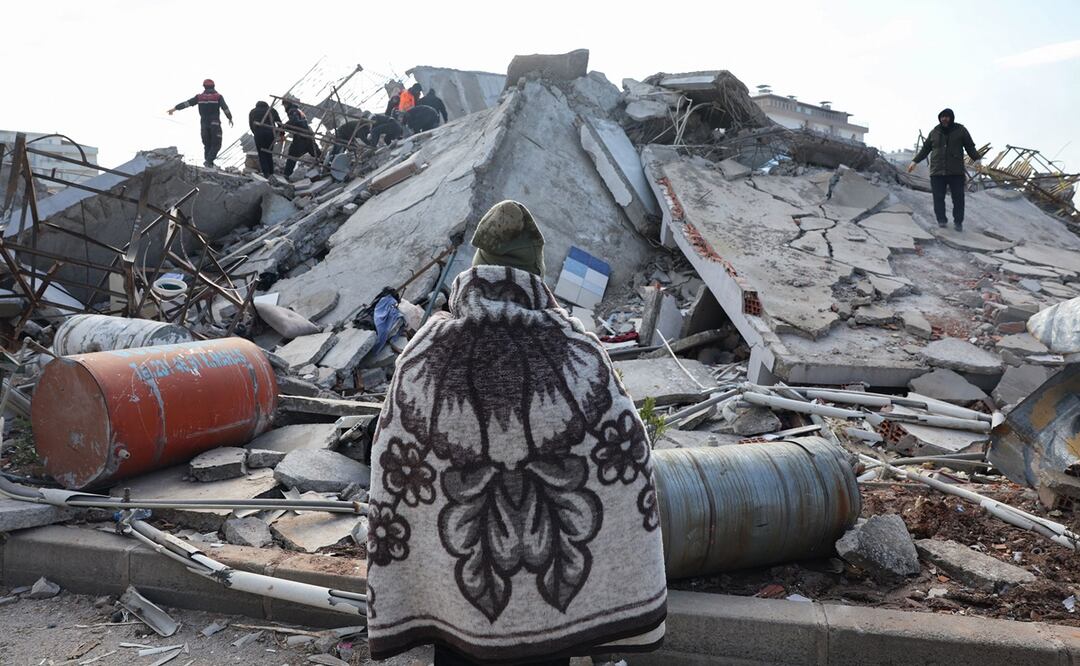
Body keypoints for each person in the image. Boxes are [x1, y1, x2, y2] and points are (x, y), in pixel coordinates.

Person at [365, 200, 667, 665]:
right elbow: (630, 457)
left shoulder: (423, 351)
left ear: (475, 269)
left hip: (459, 614)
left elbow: (391, 463)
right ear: (537, 277)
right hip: (550, 623)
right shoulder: (579, 346)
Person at [907, 108, 981, 231]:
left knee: (958, 198)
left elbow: (970, 146)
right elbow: (925, 149)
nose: (944, 119)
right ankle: (941, 220)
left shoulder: (961, 130)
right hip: (937, 172)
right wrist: (915, 161)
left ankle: (958, 222)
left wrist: (977, 159)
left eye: (947, 117)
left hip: (955, 172)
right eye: (942, 117)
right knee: (938, 197)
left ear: (951, 118)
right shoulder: (934, 132)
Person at [168, 79, 233, 168]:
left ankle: (208, 164)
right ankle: (209, 162)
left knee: (207, 144)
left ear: (204, 87)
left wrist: (174, 109)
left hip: (204, 124)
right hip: (215, 124)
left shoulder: (199, 97)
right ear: (214, 86)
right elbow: (225, 108)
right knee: (216, 144)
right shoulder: (218, 97)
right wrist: (230, 118)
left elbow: (187, 103)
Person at [282, 98, 321, 178]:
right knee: (315, 152)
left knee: (292, 154)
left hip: (301, 136)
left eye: (284, 105)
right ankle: (328, 165)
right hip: (307, 134)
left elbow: (294, 121)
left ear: (286, 104)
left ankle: (287, 174)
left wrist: (285, 126)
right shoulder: (297, 110)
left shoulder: (292, 111)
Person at [248, 101, 283, 178]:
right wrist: (281, 134)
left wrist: (256, 133)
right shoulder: (271, 110)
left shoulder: (252, 112)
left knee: (262, 154)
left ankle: (266, 173)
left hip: (259, 134)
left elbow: (251, 125)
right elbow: (279, 123)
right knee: (269, 153)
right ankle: (271, 173)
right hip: (270, 133)